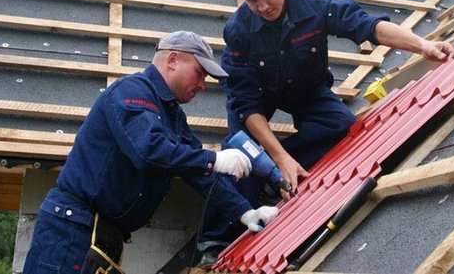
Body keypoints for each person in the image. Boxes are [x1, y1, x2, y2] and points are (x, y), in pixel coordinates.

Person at [197, 0, 454, 257]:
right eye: (252, 0)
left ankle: (276, 177)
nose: (263, 6)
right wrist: (275, 157)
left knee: (343, 128)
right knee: (240, 155)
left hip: (306, 87)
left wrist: (422, 45)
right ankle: (212, 241)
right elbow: (245, 101)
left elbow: (369, 27)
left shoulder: (314, 5)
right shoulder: (238, 30)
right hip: (258, 95)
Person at [23, 31, 279, 274]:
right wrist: (214, 159)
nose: (203, 85)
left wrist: (245, 213)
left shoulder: (172, 115)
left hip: (99, 231)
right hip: (72, 228)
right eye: (200, 73)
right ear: (173, 60)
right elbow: (147, 151)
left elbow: (201, 174)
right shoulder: (133, 91)